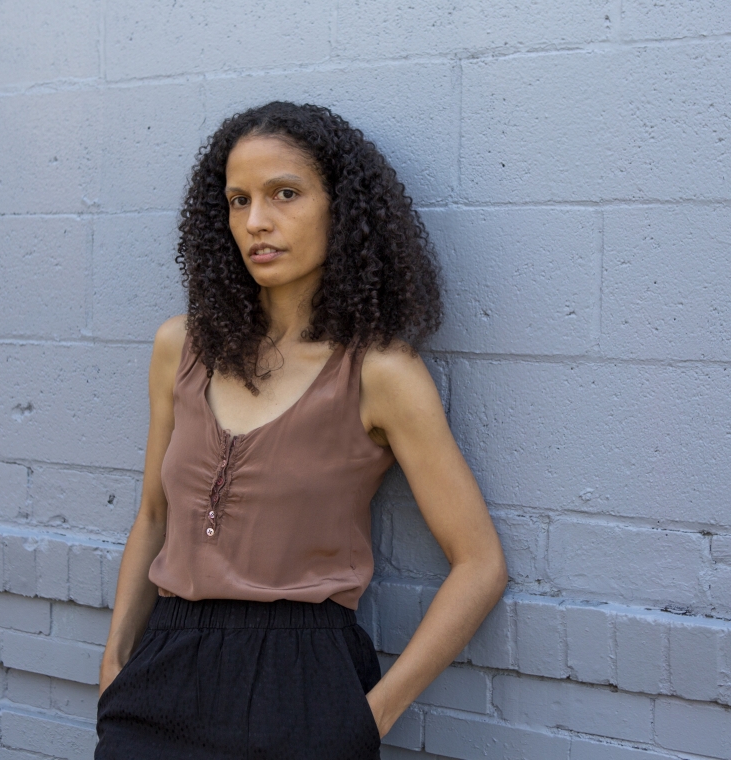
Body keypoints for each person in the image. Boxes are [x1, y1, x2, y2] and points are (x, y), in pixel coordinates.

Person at [95, 101, 507, 760]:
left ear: (341, 207)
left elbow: (480, 565)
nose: (256, 221)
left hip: (300, 683)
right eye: (237, 200)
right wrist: (113, 669)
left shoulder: (379, 372)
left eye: (285, 194)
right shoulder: (181, 347)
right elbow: (151, 517)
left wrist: (365, 720)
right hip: (159, 677)